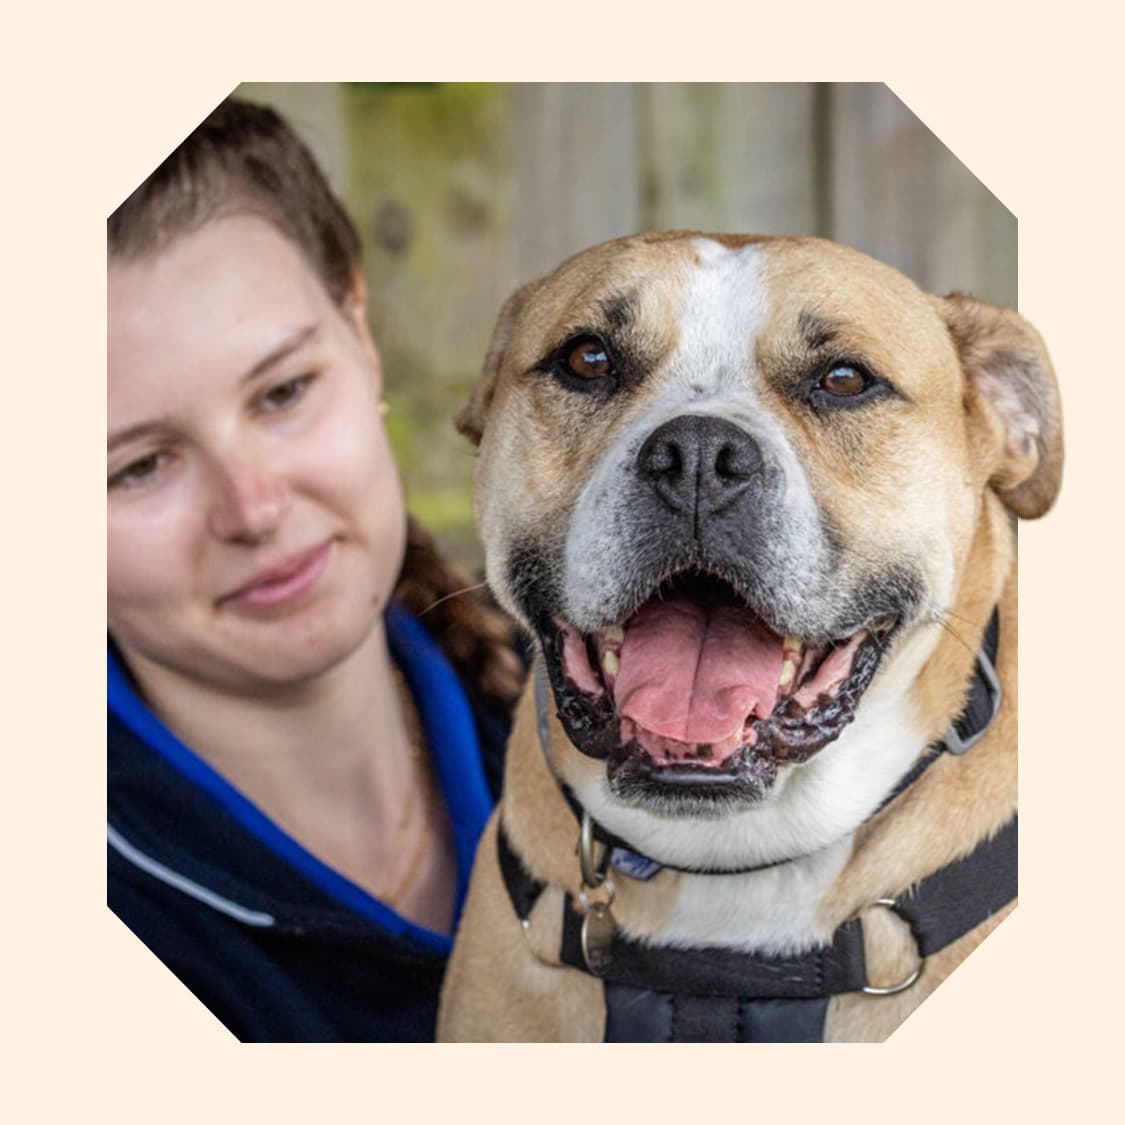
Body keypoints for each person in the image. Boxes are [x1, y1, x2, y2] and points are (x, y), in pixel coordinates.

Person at [107, 96, 523, 1041]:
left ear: (359, 330)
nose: (253, 508)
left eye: (284, 391)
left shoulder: (619, 719)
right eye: (137, 466)